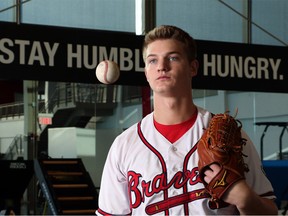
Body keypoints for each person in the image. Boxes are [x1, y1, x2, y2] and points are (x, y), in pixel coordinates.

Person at [96, 25, 278, 215]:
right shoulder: (124, 145)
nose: (161, 66)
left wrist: (245, 199)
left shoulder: (229, 135)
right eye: (152, 61)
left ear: (193, 67)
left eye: (172, 58)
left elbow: (270, 212)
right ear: (146, 73)